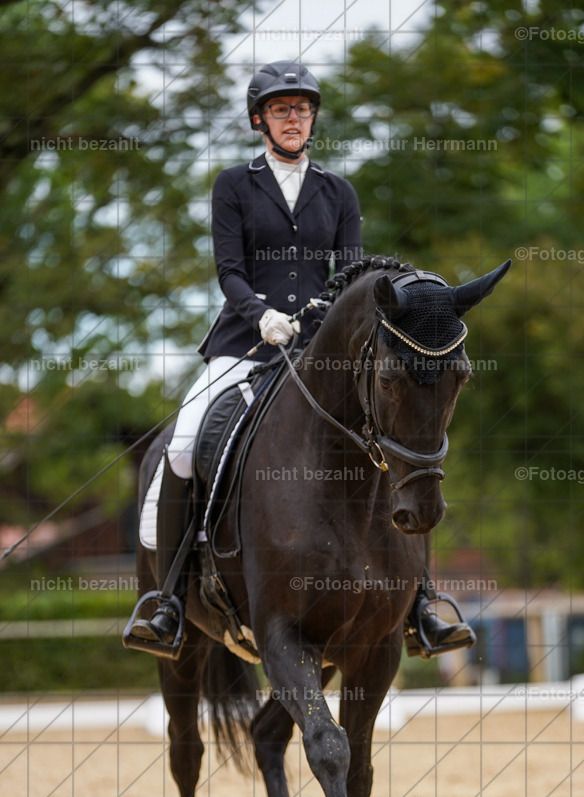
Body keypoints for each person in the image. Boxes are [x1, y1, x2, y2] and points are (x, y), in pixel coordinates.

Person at [128, 60, 475, 658]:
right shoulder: (234, 185)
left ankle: (420, 603)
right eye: (283, 109)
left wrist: (317, 315)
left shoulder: (338, 191)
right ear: (260, 119)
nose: (295, 118)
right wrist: (260, 314)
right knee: (183, 444)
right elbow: (229, 271)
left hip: (322, 350)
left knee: (393, 439)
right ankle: (169, 603)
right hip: (246, 343)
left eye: (304, 109)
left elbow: (352, 273)